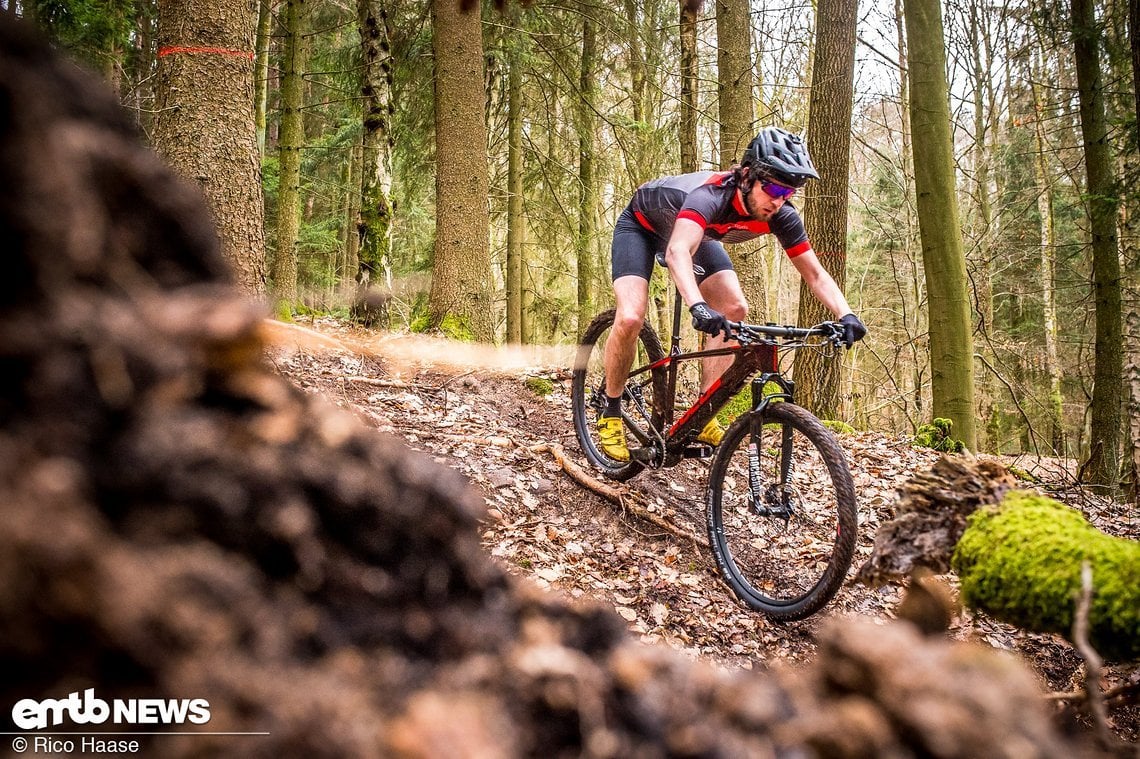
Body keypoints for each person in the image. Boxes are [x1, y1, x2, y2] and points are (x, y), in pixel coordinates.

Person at [598, 126, 867, 462]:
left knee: (734, 307)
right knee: (631, 316)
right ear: (747, 176)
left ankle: (704, 411)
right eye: (772, 187)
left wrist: (846, 314)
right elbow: (677, 252)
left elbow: (813, 273)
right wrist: (697, 306)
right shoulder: (709, 196)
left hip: (698, 236)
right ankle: (609, 410)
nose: (779, 200)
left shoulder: (781, 215)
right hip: (642, 227)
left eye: (788, 192)